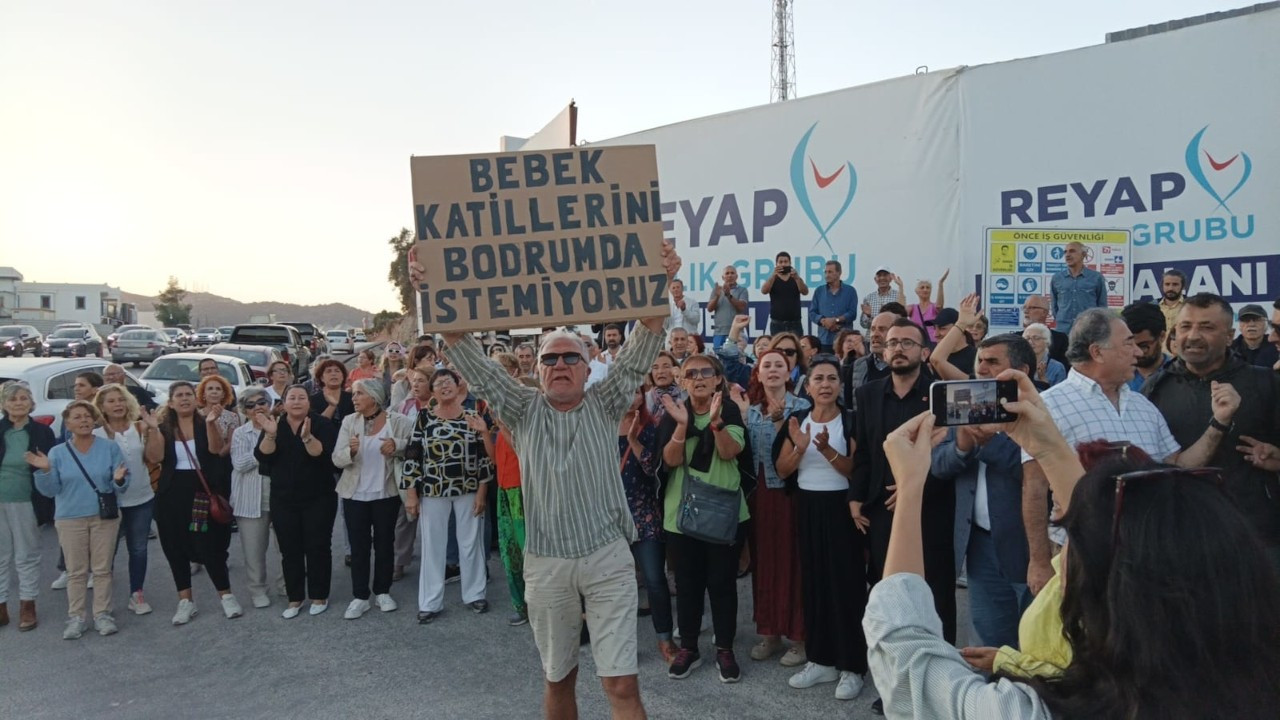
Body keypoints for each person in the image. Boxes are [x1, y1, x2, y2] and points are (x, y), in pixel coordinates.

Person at [863, 373, 1280, 719]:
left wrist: (911, 484)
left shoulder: (1036, 712)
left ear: (1119, 603)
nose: (1065, 565)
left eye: (1073, 563)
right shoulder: (1249, 683)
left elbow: (907, 655)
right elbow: (1108, 542)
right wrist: (1047, 445)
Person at [437, 238, 679, 719]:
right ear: (538, 369)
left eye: (571, 358)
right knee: (558, 678)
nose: (560, 365)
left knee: (623, 686)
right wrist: (438, 288)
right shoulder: (521, 409)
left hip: (608, 559)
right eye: (550, 358)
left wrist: (664, 276)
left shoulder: (605, 401)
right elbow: (469, 356)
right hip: (546, 565)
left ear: (589, 369)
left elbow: (646, 338)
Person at [1020, 308, 1217, 597]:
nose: (1137, 351)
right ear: (1097, 352)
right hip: (1080, 556)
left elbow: (1177, 465)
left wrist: (1219, 424)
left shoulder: (1143, 405)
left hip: (1149, 554)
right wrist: (1038, 561)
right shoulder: (1049, 406)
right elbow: (1034, 488)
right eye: (1128, 343)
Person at [1144, 293, 1280, 569]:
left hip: (1257, 538)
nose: (1193, 336)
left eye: (1206, 327)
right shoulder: (1155, 390)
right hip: (1183, 540)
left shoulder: (1266, 384)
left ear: (1229, 336)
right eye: (1185, 326)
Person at [849, 319, 955, 658]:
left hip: (931, 509)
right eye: (892, 342)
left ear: (924, 352)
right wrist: (855, 496)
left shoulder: (941, 396)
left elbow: (951, 454)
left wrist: (914, 486)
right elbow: (864, 452)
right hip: (883, 510)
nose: (898, 348)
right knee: (889, 592)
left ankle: (941, 676)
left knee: (935, 593)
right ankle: (895, 676)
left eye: (907, 342)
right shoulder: (867, 394)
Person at [930, 334, 1036, 648]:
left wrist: (990, 445)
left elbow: (1040, 472)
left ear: (1022, 371)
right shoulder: (965, 400)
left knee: (1036, 645)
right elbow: (938, 466)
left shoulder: (1041, 408)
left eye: (993, 362)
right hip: (979, 546)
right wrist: (962, 448)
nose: (982, 368)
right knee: (990, 644)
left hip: (1029, 545)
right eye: (980, 360)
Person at [772, 355, 867, 700]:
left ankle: (851, 665)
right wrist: (800, 448)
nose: (825, 385)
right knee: (813, 584)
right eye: (819, 379)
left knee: (846, 587)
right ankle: (821, 659)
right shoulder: (797, 420)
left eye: (831, 379)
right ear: (808, 386)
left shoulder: (852, 421)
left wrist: (826, 450)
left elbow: (855, 470)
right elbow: (782, 470)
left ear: (840, 386)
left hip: (842, 511)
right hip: (807, 508)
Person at [655, 353, 747, 682]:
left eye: (705, 372)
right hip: (681, 513)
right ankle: (689, 648)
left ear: (718, 379)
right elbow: (669, 459)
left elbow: (729, 451)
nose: (698, 378)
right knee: (688, 584)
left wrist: (717, 422)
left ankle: (725, 649)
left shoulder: (730, 410)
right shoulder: (674, 413)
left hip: (721, 513)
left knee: (722, 584)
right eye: (690, 373)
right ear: (681, 381)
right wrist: (682, 425)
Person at [728, 350, 809, 668]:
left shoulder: (803, 408)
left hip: (790, 496)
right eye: (767, 366)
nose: (773, 370)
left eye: (780, 365)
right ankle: (770, 632)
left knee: (794, 564)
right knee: (763, 564)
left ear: (790, 373)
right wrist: (745, 416)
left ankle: (799, 637)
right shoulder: (752, 410)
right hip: (757, 497)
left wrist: (780, 424)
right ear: (758, 374)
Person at [400, 369, 493, 623]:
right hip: (433, 490)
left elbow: (484, 457)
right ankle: (430, 602)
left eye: (448, 381)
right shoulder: (423, 418)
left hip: (469, 488)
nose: (444, 386)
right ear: (432, 391)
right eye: (438, 383)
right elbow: (412, 456)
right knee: (433, 545)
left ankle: (475, 594)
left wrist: (482, 492)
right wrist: (411, 493)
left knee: (470, 543)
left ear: (458, 384)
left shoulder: (473, 416)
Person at [30, 400, 129, 639]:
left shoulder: (109, 448)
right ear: (68, 423)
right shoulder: (58, 452)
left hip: (103, 517)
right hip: (70, 518)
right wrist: (44, 471)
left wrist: (118, 480)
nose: (84, 420)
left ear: (94, 420)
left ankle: (103, 614)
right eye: (77, 417)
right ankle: (76, 617)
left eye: (87, 416)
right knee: (76, 572)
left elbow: (123, 485)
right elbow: (50, 490)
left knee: (102, 569)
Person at [154, 382, 242, 624]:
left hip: (201, 492)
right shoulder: (163, 427)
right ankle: (185, 601)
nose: (184, 399)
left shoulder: (205, 423)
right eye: (178, 396)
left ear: (196, 399)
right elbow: (155, 457)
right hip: (172, 494)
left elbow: (215, 449)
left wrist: (212, 423)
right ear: (170, 402)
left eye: (188, 395)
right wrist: (151, 431)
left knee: (208, 545)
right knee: (175, 547)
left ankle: (226, 596)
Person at [254, 385, 339, 618]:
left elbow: (324, 456)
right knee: (289, 549)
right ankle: (295, 598)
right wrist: (270, 434)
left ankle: (319, 595)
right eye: (292, 397)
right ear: (283, 402)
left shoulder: (321, 424)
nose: (297, 401)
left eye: (302, 397)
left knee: (318, 546)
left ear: (309, 402)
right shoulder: (275, 424)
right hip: (283, 498)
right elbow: (263, 455)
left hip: (319, 496)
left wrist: (308, 437)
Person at [332, 378, 413, 619]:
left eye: (359, 394)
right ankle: (360, 596)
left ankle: (383, 592)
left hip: (385, 493)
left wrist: (396, 445)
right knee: (359, 547)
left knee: (385, 544)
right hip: (355, 494)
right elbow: (337, 458)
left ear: (374, 397)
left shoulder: (398, 421)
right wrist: (351, 451)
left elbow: (415, 449)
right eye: (354, 394)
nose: (354, 398)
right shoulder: (349, 421)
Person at [616, 390, 676, 663]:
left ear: (642, 397)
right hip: (613, 516)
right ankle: (621, 645)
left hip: (645, 513)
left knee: (654, 579)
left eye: (634, 391)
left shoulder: (652, 427)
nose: (629, 396)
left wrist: (633, 442)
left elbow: (655, 469)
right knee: (616, 585)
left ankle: (665, 640)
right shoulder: (603, 427)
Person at [92, 384, 161, 616]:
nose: (117, 405)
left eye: (121, 400)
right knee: (107, 553)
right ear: (102, 406)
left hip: (141, 498)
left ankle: (137, 593)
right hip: (110, 502)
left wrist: (153, 431)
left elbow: (154, 457)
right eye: (111, 401)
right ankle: (104, 602)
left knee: (139, 549)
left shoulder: (140, 427)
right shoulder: (95, 434)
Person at [0, 381, 55, 631]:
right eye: (12, 399)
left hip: (27, 502)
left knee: (26, 555)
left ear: (31, 403)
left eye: (23, 398)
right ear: (3, 404)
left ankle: (27, 605)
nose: (18, 403)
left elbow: (51, 468)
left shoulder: (42, 433)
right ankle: (1, 606)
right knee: (1, 556)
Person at [229, 387, 280, 609]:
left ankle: (287, 583)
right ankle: (257, 589)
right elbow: (239, 464)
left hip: (280, 496)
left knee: (286, 547)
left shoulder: (283, 428)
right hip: (250, 499)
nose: (257, 407)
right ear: (244, 410)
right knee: (254, 550)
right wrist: (266, 445)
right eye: (250, 405)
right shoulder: (241, 433)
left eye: (262, 402)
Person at [1049, 241, 1107, 333]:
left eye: (1072, 251)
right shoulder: (1057, 278)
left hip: (1088, 330)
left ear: (1083, 254)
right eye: (1065, 252)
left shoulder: (1096, 277)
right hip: (1063, 330)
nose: (1067, 255)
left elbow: (1102, 307)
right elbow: (1054, 306)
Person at [846, 311, 896, 410]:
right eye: (873, 329)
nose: (875, 334)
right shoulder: (857, 366)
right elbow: (849, 407)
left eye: (882, 329)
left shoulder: (908, 365)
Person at [809, 261, 858, 353]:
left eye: (830, 272)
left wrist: (835, 320)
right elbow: (812, 313)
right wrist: (824, 322)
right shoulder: (819, 291)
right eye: (825, 272)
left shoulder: (850, 291)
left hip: (844, 341)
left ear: (839, 273)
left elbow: (852, 313)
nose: (827, 275)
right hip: (824, 340)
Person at [1120, 301, 1169, 391]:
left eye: (1143, 346)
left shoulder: (1181, 377)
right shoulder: (1116, 377)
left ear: (1162, 336)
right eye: (1129, 345)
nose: (1137, 352)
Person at [762, 251, 809, 336]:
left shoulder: (795, 278)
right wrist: (773, 275)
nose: (783, 264)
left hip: (795, 323)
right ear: (776, 264)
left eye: (785, 261)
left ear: (790, 263)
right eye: (780, 262)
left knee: (796, 348)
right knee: (777, 349)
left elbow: (805, 292)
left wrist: (797, 278)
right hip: (777, 324)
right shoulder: (773, 279)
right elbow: (764, 291)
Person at [1021, 295, 1069, 369]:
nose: (1026, 311)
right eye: (1024, 307)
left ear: (1044, 312)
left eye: (1032, 308)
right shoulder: (1015, 338)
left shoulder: (1060, 339)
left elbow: (1065, 368)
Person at [707, 266, 749, 350]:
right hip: (719, 333)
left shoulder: (742, 290)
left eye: (732, 273)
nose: (730, 275)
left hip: (736, 333)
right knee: (719, 361)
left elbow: (741, 307)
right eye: (727, 273)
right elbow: (709, 309)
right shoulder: (717, 290)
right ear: (723, 277)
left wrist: (728, 295)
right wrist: (717, 297)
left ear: (736, 276)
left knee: (735, 359)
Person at [1232, 304, 1280, 369]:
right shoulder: (1229, 350)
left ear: (1266, 325)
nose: (1251, 324)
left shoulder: (1277, 347)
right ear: (1240, 326)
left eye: (1257, 319)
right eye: (1246, 320)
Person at [905, 270, 948, 343]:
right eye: (922, 287)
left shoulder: (934, 307)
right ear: (917, 291)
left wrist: (940, 284)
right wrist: (900, 287)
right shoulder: (912, 308)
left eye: (928, 288)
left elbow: (939, 305)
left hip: (932, 342)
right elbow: (900, 312)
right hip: (916, 342)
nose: (925, 290)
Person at [310, 358, 354, 426]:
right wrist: (332, 406)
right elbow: (317, 426)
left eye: (337, 371)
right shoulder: (313, 400)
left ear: (343, 377)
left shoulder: (353, 398)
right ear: (322, 378)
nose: (333, 374)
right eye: (329, 371)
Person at [644, 351, 684, 423]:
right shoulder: (644, 399)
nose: (660, 371)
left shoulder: (684, 395)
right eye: (655, 367)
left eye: (666, 366)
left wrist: (682, 383)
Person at [1156, 268, 1187, 338]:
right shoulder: (1153, 307)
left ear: (1183, 286)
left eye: (1175, 284)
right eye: (1167, 284)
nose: (1171, 288)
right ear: (1162, 286)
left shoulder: (1190, 305)